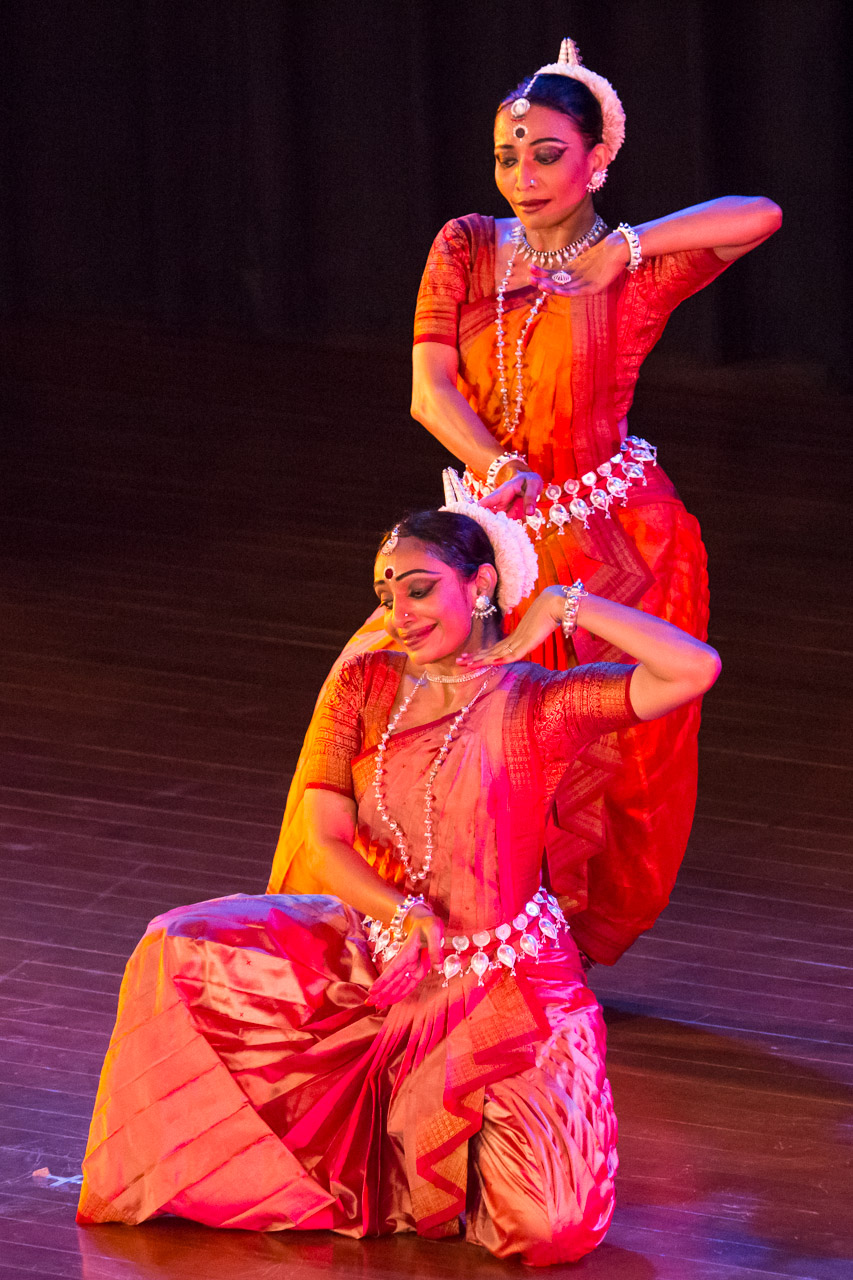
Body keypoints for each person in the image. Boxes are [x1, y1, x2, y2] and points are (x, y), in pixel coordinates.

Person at [77, 503, 720, 1265]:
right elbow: (324, 842)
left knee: (547, 1229)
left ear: (479, 584)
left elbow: (693, 669)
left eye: (418, 589)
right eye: (386, 595)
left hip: (511, 989)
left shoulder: (540, 703)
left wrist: (563, 603)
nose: (399, 613)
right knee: (176, 947)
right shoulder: (364, 685)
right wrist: (400, 912)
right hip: (385, 957)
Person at [297, 37, 781, 966]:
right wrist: (491, 461)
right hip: (495, 539)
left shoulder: (633, 272)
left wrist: (628, 247)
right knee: (430, 723)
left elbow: (759, 215)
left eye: (548, 155)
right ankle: (435, 923)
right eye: (507, 156)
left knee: (609, 768)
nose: (523, 177)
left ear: (596, 158)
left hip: (623, 549)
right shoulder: (467, 245)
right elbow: (428, 389)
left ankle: (554, 948)